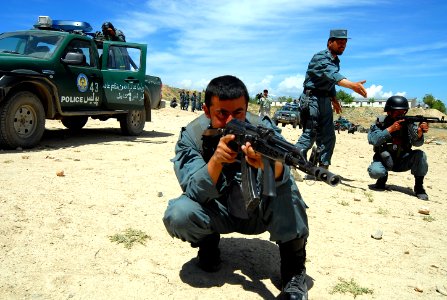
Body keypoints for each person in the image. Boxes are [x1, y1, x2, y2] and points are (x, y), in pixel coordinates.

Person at [163, 75, 309, 299]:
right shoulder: (192, 137)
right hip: (217, 211)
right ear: (206, 110)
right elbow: (193, 191)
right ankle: (208, 245)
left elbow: (277, 184)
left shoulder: (262, 130)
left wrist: (270, 166)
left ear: (247, 108)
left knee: (286, 189)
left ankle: (293, 273)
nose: (232, 120)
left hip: (259, 212)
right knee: (179, 213)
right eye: (222, 113)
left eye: (238, 112)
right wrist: (216, 161)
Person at [295, 29, 367, 169]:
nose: (343, 46)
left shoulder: (335, 60)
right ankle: (290, 165)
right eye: (340, 43)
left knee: (329, 136)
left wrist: (334, 99)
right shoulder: (320, 57)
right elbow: (332, 75)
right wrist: (352, 85)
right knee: (310, 133)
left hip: (324, 99)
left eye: (345, 44)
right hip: (312, 99)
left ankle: (322, 168)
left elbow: (329, 81)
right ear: (330, 43)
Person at [367, 96, 429, 200]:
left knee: (420, 155)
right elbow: (373, 140)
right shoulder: (380, 123)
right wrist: (390, 129)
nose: (401, 114)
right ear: (389, 112)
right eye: (397, 111)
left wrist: (419, 133)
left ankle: (419, 187)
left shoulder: (409, 124)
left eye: (403, 111)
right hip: (384, 159)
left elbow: (417, 144)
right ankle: (382, 180)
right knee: (375, 172)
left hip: (403, 160)